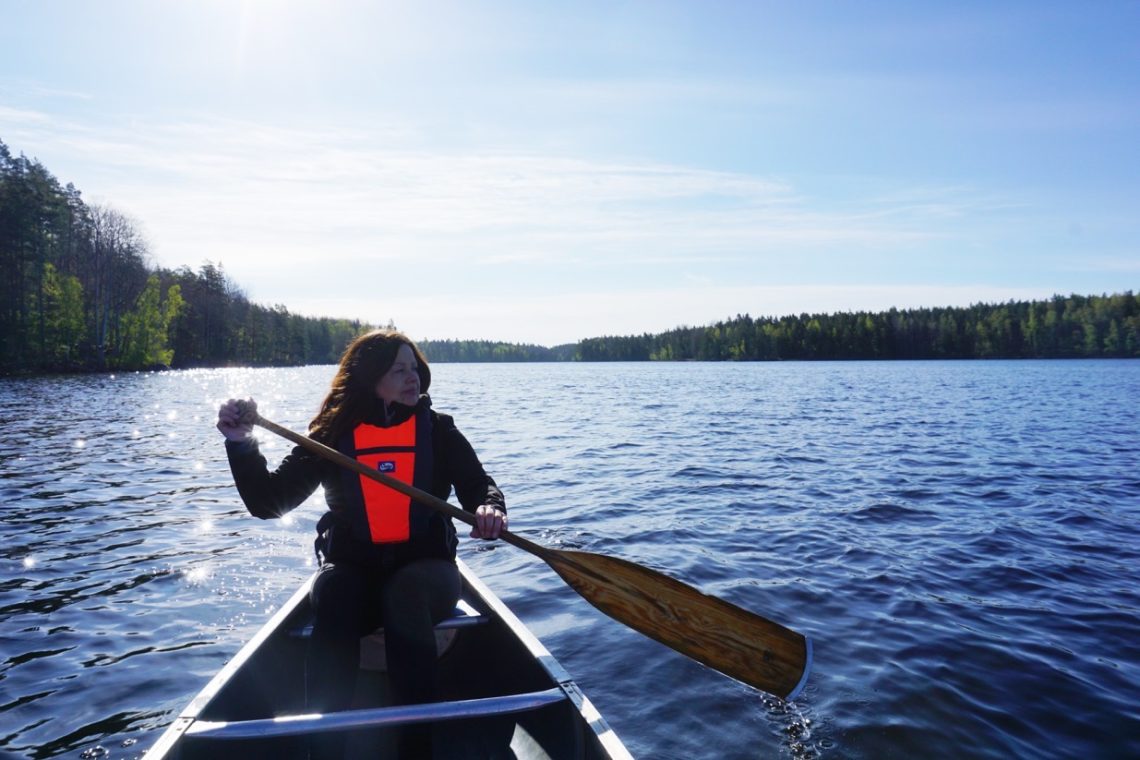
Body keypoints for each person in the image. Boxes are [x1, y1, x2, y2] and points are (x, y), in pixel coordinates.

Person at [216, 329, 507, 759]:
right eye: (399, 370)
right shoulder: (332, 435)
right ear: (370, 378)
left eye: (416, 368)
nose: (414, 379)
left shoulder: (439, 430)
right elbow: (269, 502)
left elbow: (478, 485)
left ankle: (416, 747)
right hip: (355, 569)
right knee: (333, 592)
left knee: (404, 593)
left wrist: (489, 508)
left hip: (428, 573)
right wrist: (240, 445)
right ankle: (325, 745)